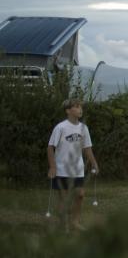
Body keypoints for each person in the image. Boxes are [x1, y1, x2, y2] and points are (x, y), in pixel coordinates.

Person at [47, 98, 99, 230]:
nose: (80, 109)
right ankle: (63, 224)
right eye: (76, 107)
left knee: (80, 195)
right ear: (68, 110)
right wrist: (52, 167)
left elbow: (87, 148)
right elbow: (50, 148)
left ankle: (75, 222)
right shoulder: (60, 127)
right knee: (64, 199)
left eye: (80, 107)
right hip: (62, 169)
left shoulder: (84, 128)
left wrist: (94, 163)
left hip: (78, 169)